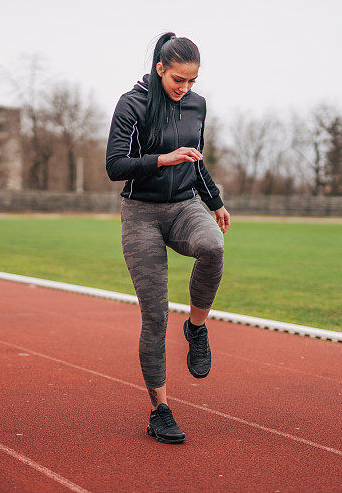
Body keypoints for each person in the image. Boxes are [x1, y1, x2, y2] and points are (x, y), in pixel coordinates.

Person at [106, 32, 231, 444]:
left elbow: (196, 158)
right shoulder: (133, 103)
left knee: (213, 246)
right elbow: (115, 165)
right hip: (141, 213)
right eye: (179, 79)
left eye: (192, 81)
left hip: (184, 204)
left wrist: (214, 201)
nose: (186, 89)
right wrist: (162, 159)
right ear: (160, 69)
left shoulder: (197, 106)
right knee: (155, 316)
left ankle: (196, 328)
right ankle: (160, 409)